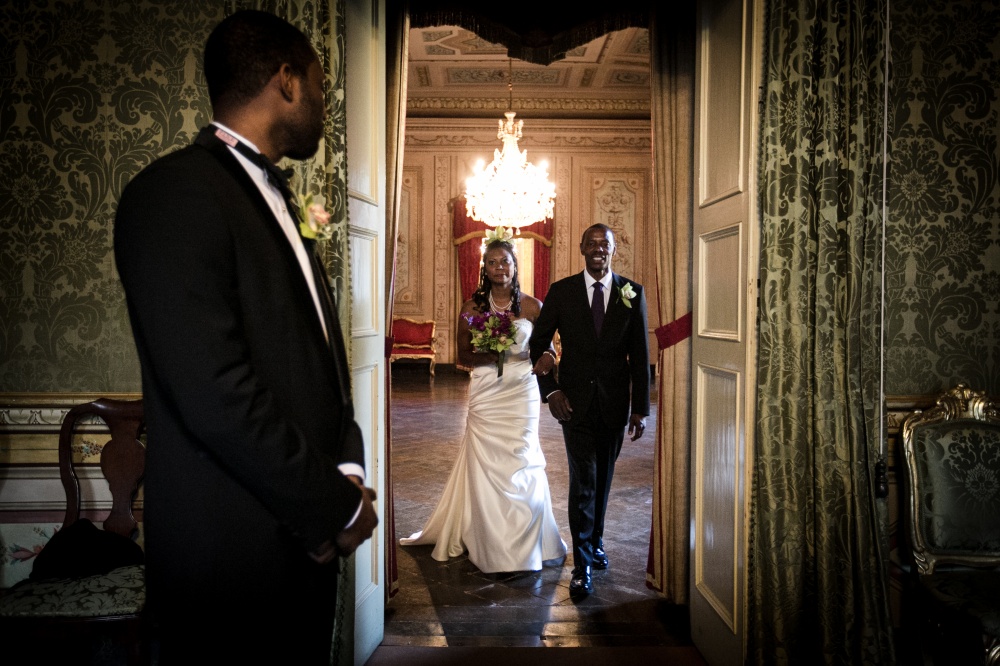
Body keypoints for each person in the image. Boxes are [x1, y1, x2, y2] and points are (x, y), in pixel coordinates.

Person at [113, 10, 377, 663]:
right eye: (319, 84)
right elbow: (216, 393)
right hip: (234, 564)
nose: (323, 101)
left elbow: (318, 363)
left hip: (304, 548)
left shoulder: (278, 202)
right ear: (286, 81)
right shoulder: (174, 195)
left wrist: (346, 466)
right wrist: (332, 507)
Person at [400, 232, 566, 573]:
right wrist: (492, 352)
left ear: (515, 266)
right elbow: (462, 355)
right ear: (484, 269)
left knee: (521, 456)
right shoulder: (471, 308)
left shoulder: (533, 306)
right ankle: (485, 535)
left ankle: (523, 540)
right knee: (486, 458)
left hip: (521, 389)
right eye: (492, 262)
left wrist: (548, 356)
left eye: (505, 261)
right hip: (487, 390)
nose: (499, 267)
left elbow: (549, 348)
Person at [528, 223, 650, 598]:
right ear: (581, 248)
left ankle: (595, 543)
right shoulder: (562, 292)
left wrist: (640, 409)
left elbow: (641, 354)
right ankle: (582, 567)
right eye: (592, 243)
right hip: (573, 406)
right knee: (583, 482)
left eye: (605, 244)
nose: (599, 249)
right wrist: (551, 392)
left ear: (614, 249)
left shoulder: (632, 292)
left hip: (614, 406)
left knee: (603, 481)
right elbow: (537, 344)